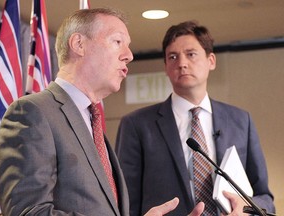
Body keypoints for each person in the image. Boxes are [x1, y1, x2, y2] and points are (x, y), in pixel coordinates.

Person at [0, 9, 205, 216]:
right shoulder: (32, 112)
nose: (129, 55)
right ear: (79, 44)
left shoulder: (91, 120)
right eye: (117, 42)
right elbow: (27, 212)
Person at [116, 20, 275, 216]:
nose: (182, 63)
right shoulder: (136, 125)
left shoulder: (241, 121)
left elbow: (264, 197)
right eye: (172, 57)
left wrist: (247, 210)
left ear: (211, 61)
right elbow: (125, 203)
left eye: (191, 54)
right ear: (165, 66)